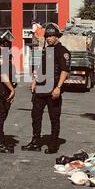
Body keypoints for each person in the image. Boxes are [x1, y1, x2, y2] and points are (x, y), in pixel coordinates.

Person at [21, 22, 71, 154]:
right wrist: (34, 81)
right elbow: (39, 67)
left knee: (54, 118)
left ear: (57, 37)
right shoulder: (45, 50)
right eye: (47, 36)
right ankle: (35, 142)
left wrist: (58, 88)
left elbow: (64, 71)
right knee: (35, 116)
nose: (48, 38)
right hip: (40, 89)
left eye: (51, 36)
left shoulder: (63, 51)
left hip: (53, 89)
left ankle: (53, 145)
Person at [0, 30, 17, 154]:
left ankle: (0, 142)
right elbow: (3, 74)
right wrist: (12, 89)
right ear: (3, 42)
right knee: (0, 116)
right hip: (1, 89)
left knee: (1, 116)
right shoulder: (1, 55)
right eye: (7, 40)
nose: (9, 43)